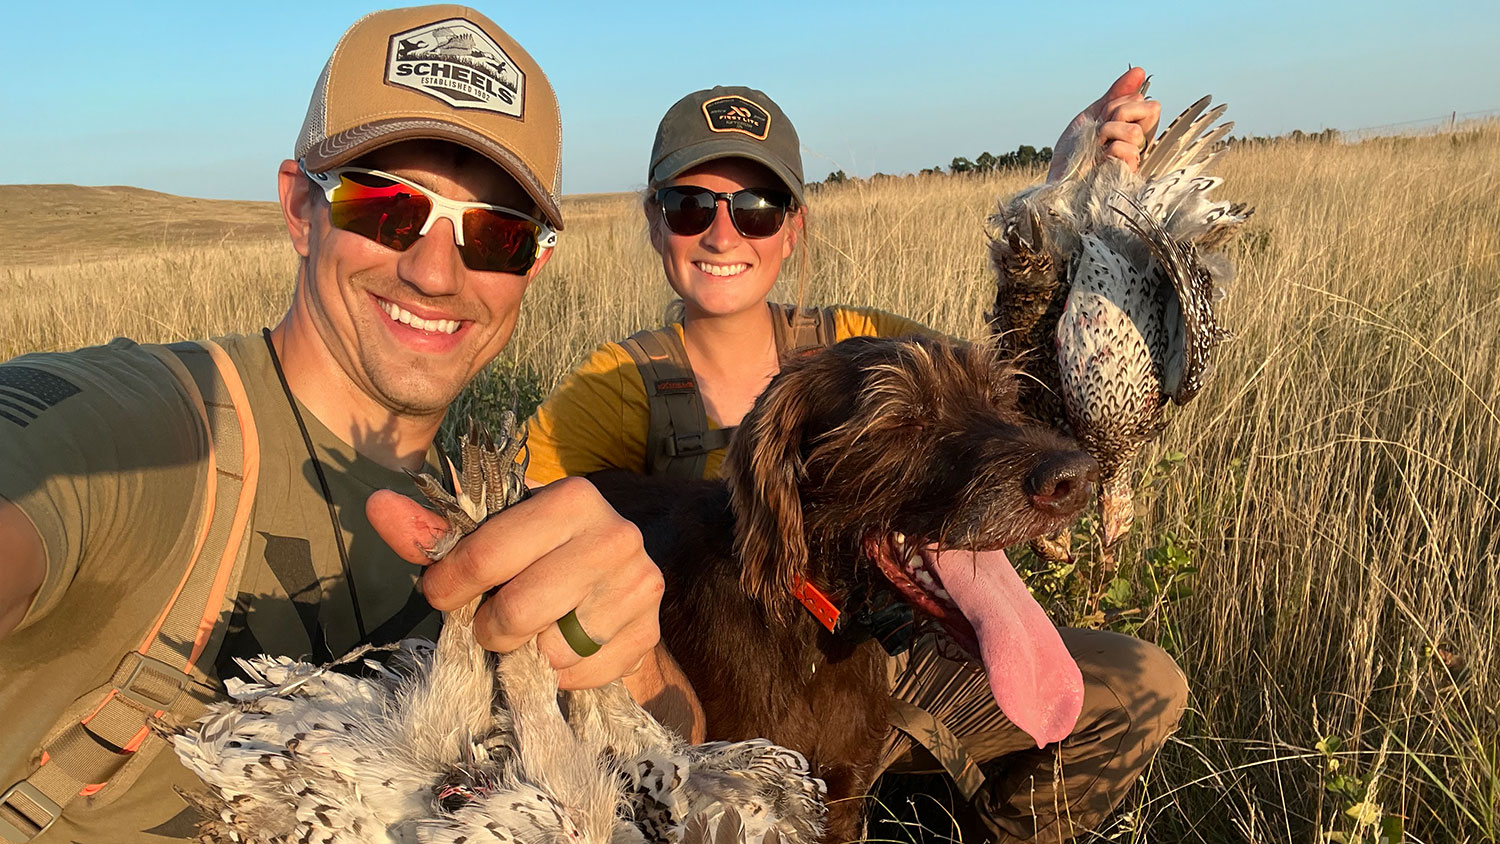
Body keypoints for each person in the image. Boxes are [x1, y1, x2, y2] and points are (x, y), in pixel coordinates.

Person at [0, 8, 680, 843]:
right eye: (386, 206)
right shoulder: (138, 433)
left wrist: (631, 657)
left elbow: (684, 772)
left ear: (532, 266)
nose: (435, 272)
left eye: (495, 234)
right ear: (298, 208)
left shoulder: (510, 522)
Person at [523, 75, 1189, 841]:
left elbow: (1030, 393)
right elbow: (515, 521)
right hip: (723, 663)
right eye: (688, 206)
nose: (723, 233)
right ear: (653, 222)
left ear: (794, 226)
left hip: (891, 651)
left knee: (1143, 689)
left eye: (758, 208)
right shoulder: (616, 386)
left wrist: (1078, 184)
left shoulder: (868, 338)